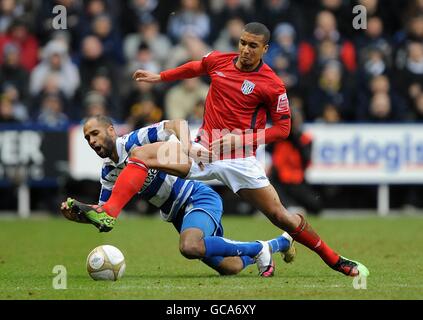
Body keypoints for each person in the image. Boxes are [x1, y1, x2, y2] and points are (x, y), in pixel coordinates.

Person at [72, 23, 369, 278]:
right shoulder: (219, 61)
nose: (245, 50)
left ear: (265, 49)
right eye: (242, 43)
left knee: (282, 217)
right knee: (141, 155)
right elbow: (194, 68)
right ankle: (109, 211)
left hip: (240, 160)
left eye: (253, 46)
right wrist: (160, 77)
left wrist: (241, 140)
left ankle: (335, 260)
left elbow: (283, 129)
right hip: (202, 152)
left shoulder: (273, 85)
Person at [62, 115, 295, 276]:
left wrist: (188, 146)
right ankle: (278, 243)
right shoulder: (108, 172)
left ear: (111, 130)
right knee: (231, 267)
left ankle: (257, 250)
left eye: (95, 133)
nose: (92, 141)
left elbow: (176, 124)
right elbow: (105, 218)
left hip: (197, 197)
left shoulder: (134, 141)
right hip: (176, 215)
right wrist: (81, 216)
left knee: (189, 246)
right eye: (87, 138)